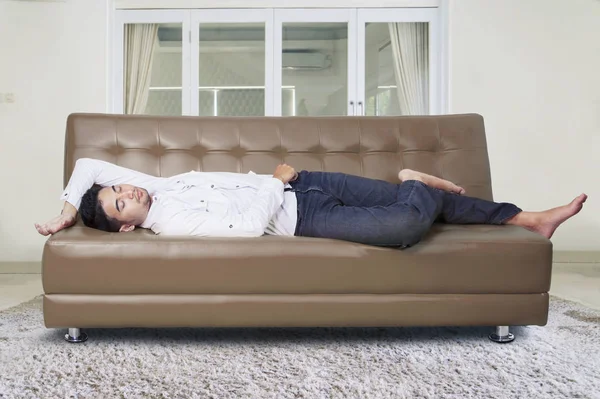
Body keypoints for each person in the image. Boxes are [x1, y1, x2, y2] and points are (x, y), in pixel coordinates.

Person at [35, 158, 587, 248]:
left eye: (121, 190)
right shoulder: (173, 221)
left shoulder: (156, 184)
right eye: (121, 204)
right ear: (128, 227)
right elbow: (252, 230)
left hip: (309, 178)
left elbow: (88, 166)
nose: (127, 193)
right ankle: (413, 179)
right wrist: (275, 182)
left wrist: (67, 209)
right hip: (305, 213)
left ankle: (530, 219)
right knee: (406, 222)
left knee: (414, 205)